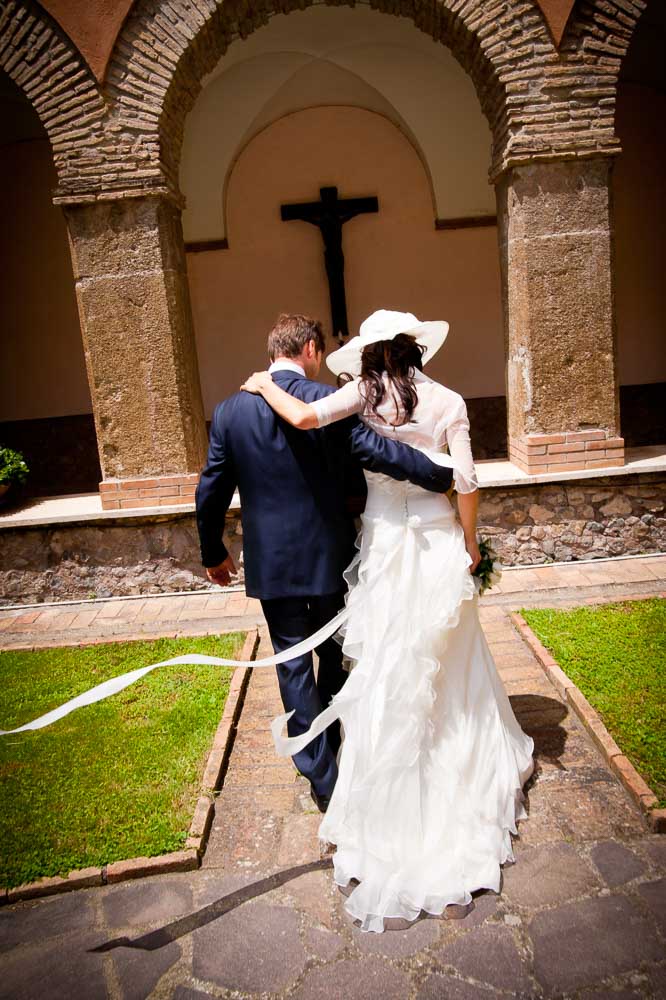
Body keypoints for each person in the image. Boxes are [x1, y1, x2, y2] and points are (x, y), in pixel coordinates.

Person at [241, 309, 535, 933]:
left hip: (381, 549)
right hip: (433, 543)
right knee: (447, 658)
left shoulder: (361, 398)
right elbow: (468, 482)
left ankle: (382, 791)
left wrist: (265, 383)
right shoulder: (449, 399)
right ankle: (455, 765)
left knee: (385, 661)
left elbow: (300, 417)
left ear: (372, 355)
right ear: (416, 349)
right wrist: (471, 543)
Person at [195, 314, 454, 814]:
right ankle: (339, 744)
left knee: (293, 663)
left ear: (274, 352)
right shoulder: (325, 402)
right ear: (311, 348)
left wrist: (213, 551)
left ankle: (321, 775)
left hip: (273, 565)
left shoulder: (229, 412)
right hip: (332, 556)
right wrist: (441, 475)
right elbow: (376, 452)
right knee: (335, 654)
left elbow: (211, 489)